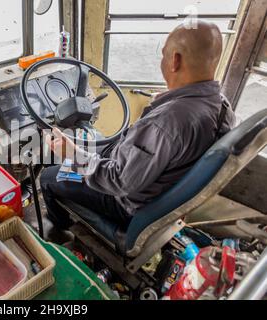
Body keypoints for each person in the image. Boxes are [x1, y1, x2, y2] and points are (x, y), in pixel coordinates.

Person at [40, 20, 236, 234]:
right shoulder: (221, 106)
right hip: (150, 180)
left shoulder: (167, 121)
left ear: (175, 61)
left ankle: (59, 230)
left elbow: (118, 181)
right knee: (90, 140)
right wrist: (167, 101)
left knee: (49, 176)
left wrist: (73, 155)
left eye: (164, 54)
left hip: (124, 200)